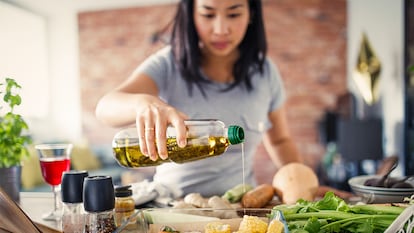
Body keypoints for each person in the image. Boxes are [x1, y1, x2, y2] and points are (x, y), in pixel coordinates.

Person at [96, 0, 352, 199]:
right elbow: (105, 107)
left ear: (251, 14)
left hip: (242, 207)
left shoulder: (265, 72)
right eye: (208, 14)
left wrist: (304, 183)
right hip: (173, 206)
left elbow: (281, 139)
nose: (220, 29)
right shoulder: (168, 64)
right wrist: (144, 103)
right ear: (191, 14)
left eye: (233, 14)